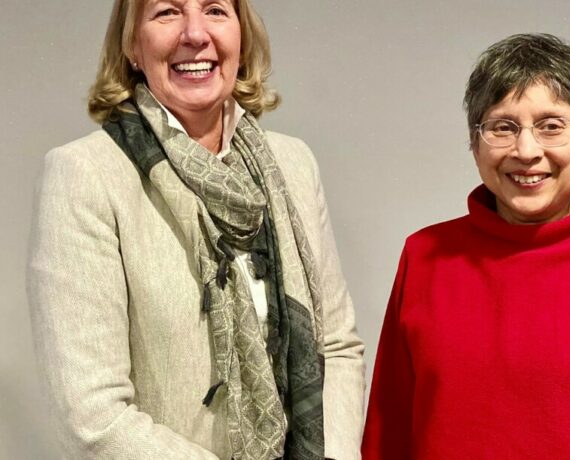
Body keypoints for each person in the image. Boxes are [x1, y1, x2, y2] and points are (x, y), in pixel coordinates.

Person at [27, 0, 364, 459]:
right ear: (132, 45)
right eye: (167, 11)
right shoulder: (85, 175)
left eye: (215, 10)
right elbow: (93, 417)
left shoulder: (293, 165)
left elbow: (337, 347)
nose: (195, 33)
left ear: (241, 37)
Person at [362, 33, 570, 459]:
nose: (526, 151)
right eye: (503, 127)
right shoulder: (424, 255)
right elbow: (387, 436)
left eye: (551, 127)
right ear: (475, 144)